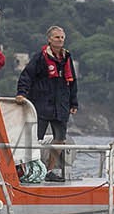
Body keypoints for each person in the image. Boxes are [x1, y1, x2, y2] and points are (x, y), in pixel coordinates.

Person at [16, 25, 78, 182]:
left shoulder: (67, 57)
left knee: (60, 139)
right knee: (35, 138)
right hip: (42, 104)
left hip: (61, 105)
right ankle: (30, 169)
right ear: (49, 39)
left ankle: (50, 170)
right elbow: (26, 76)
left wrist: (73, 103)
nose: (60, 40)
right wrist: (22, 93)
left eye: (62, 37)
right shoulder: (40, 57)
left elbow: (73, 82)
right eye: (57, 37)